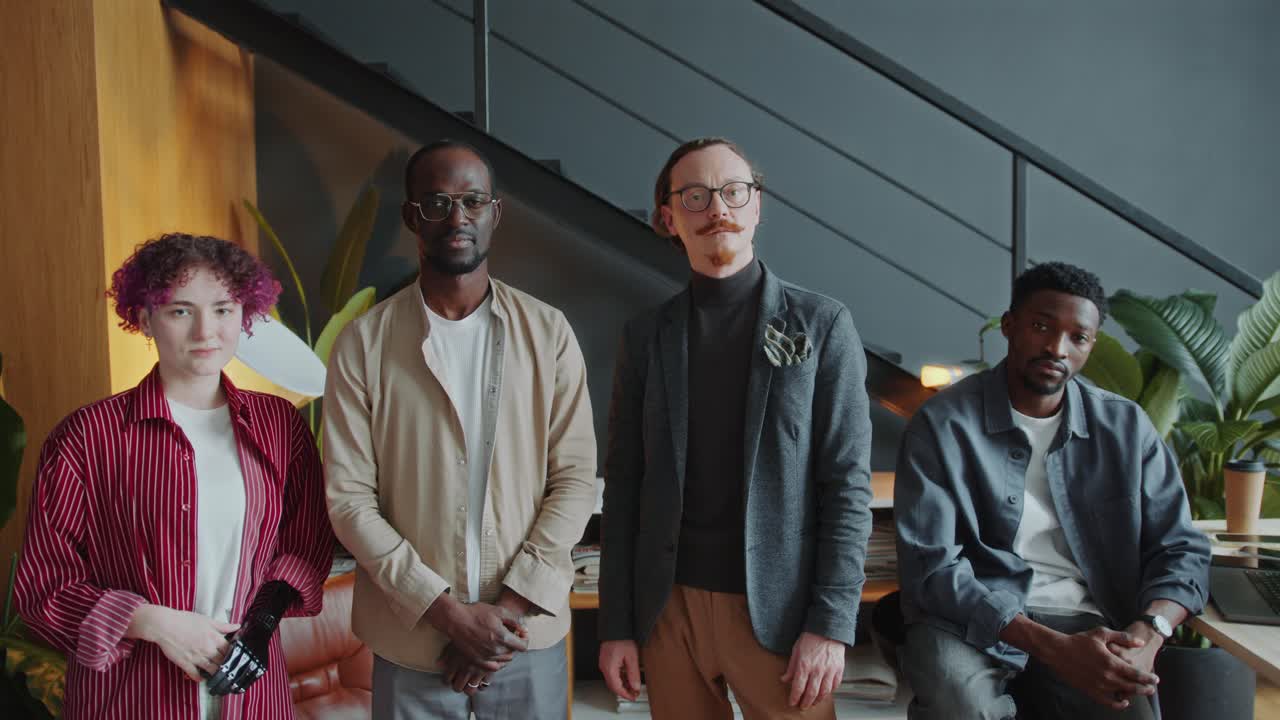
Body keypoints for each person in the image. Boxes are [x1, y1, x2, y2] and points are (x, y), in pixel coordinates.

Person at [597, 137, 874, 719]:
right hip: (667, 608)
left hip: (780, 610)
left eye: (732, 191)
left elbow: (847, 486)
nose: (716, 208)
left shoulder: (823, 326)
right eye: (695, 196)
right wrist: (616, 625)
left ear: (756, 205)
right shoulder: (646, 336)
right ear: (669, 218)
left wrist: (831, 624)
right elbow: (623, 486)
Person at [324, 139, 598, 719]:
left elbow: (575, 479)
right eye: (437, 202)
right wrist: (448, 613)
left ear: (495, 214)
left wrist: (507, 617)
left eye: (472, 201)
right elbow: (349, 502)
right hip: (413, 638)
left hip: (525, 635)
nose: (457, 217)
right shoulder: (363, 345)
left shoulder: (548, 334)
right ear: (410, 216)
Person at [16, 232, 333, 719]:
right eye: (180, 310)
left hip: (250, 693)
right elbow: (43, 590)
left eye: (224, 309)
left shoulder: (280, 427)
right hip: (129, 698)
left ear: (244, 314)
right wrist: (152, 622)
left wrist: (261, 626)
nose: (206, 331)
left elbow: (304, 548)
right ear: (144, 318)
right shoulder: (86, 436)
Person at [894, 261, 1211, 719]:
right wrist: (1054, 648)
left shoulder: (1125, 426)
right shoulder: (942, 425)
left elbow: (1182, 548)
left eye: (1077, 338)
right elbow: (931, 567)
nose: (1056, 348)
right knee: (960, 706)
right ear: (1010, 326)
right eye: (1041, 326)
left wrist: (1148, 635)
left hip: (1091, 617)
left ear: (1090, 346)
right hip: (969, 620)